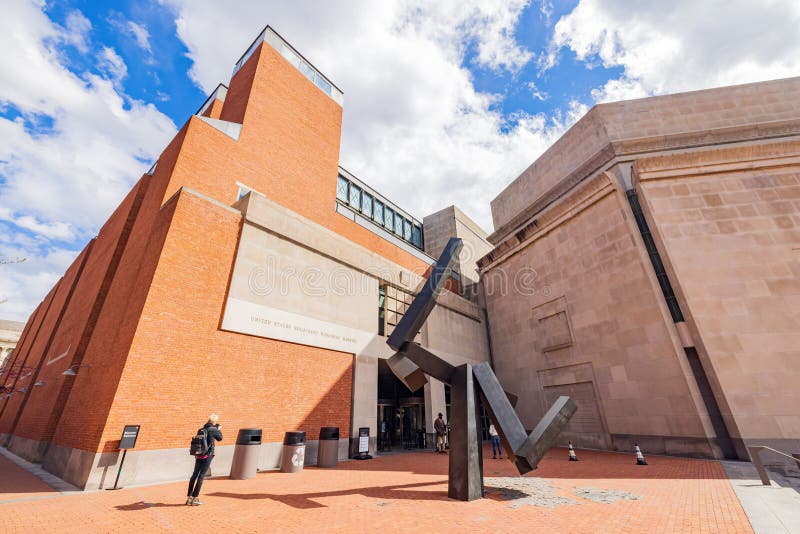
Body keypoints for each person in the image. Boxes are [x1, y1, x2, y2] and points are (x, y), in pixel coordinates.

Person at [187, 414, 223, 505]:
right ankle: (195, 498)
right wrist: (218, 429)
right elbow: (220, 438)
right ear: (215, 422)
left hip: (198, 455)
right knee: (201, 476)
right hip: (207, 455)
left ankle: (189, 497)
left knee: (194, 475)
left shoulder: (201, 429)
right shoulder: (214, 429)